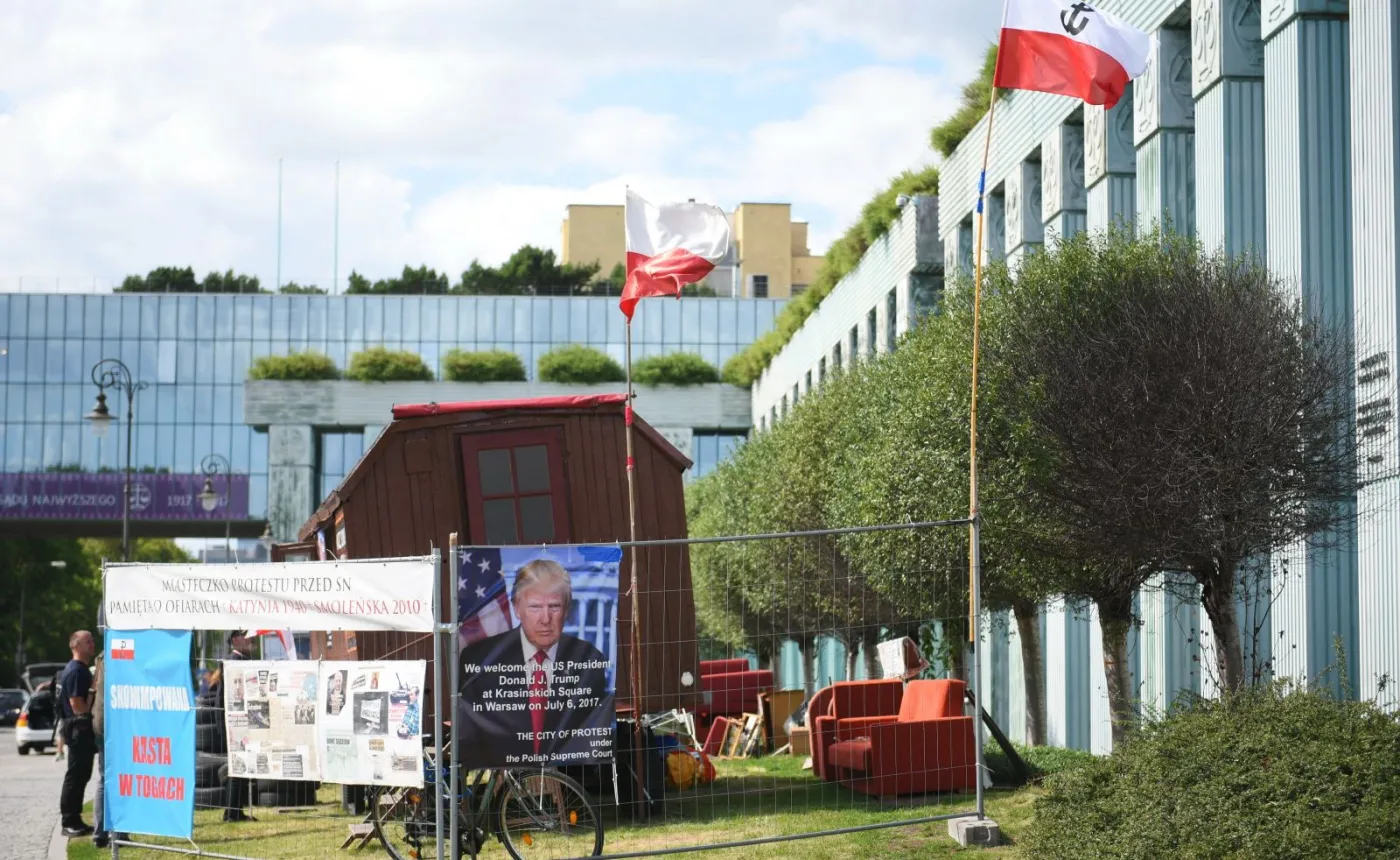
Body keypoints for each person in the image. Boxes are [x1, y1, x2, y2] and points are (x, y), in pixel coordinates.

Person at [458, 559, 612, 767]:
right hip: (501, 776)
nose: (545, 618)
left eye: (554, 606)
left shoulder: (589, 659)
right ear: (516, 609)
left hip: (569, 778)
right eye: (535, 607)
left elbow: (591, 730)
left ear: (566, 610)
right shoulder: (479, 659)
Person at [57, 630, 97, 838]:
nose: (92, 644)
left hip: (80, 729)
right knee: (75, 776)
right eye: (87, 641)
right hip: (78, 729)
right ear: (76, 646)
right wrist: (90, 711)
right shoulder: (76, 671)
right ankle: (69, 820)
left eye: (92, 640)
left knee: (82, 775)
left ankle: (76, 819)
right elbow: (76, 704)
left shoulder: (81, 669)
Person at [220, 631, 255, 823]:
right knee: (236, 768)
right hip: (234, 724)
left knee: (243, 767)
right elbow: (221, 697)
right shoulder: (232, 661)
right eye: (245, 636)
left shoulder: (244, 660)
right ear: (235, 640)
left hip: (243, 723)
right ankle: (232, 812)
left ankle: (236, 810)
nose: (250, 639)